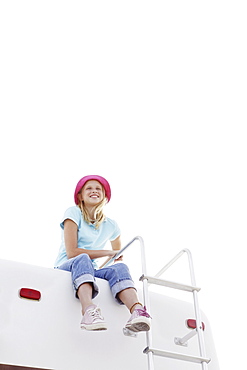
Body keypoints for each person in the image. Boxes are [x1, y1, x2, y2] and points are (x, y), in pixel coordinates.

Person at [54, 175, 151, 332]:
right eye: (89, 188)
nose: (94, 191)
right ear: (80, 195)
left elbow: (118, 253)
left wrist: (115, 255)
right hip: (68, 265)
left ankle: (137, 310)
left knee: (119, 268)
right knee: (82, 258)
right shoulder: (73, 213)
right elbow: (72, 252)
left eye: (98, 189)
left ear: (105, 196)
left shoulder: (111, 225)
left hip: (90, 270)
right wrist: (107, 252)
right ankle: (88, 310)